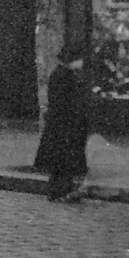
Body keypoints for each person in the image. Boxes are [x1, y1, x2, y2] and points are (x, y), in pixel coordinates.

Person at [34, 49, 90, 202]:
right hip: (64, 126)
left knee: (61, 163)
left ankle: (61, 190)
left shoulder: (62, 74)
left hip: (61, 126)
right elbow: (68, 102)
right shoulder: (64, 76)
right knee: (63, 161)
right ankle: (60, 191)